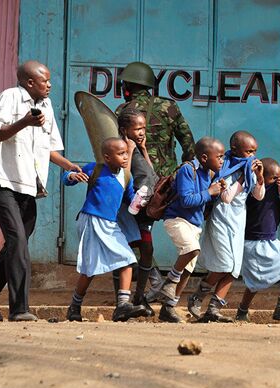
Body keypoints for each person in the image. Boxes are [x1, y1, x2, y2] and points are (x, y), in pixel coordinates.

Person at [0, 60, 82, 321]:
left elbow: (48, 148)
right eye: (46, 80)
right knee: (18, 241)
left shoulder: (46, 105)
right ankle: (19, 308)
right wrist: (24, 122)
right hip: (2, 182)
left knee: (16, 243)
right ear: (30, 82)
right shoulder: (9, 98)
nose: (50, 85)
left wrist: (68, 166)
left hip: (28, 186)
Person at [115, 61, 196, 302]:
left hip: (140, 179)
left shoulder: (123, 110)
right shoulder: (170, 107)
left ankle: (153, 280)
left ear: (129, 85)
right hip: (168, 183)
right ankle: (169, 282)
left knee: (138, 230)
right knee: (181, 229)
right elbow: (188, 143)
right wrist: (186, 172)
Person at [64, 138, 146, 322]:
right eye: (120, 154)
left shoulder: (126, 176)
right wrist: (72, 176)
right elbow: (67, 178)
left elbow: (130, 198)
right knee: (89, 268)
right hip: (91, 220)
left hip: (110, 224)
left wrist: (140, 201)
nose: (125, 157)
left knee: (127, 259)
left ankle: (123, 305)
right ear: (107, 157)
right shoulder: (96, 169)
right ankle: (75, 306)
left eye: (126, 153)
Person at [186, 131, 265, 323]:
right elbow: (227, 197)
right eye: (248, 152)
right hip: (222, 219)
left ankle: (214, 308)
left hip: (238, 222)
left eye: (254, 151)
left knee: (234, 268)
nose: (252, 156)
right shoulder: (225, 167)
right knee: (224, 264)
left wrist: (259, 178)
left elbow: (258, 195)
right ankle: (197, 297)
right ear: (235, 150)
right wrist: (242, 179)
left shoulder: (249, 171)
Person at [154, 137, 226, 323]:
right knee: (192, 249)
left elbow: (203, 202)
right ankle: (169, 282)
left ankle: (168, 308)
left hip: (194, 225)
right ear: (203, 157)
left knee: (187, 268)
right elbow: (187, 201)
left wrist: (215, 194)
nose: (222, 161)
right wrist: (209, 192)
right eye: (219, 157)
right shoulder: (188, 169)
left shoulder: (208, 173)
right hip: (177, 220)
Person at [236, 158, 280, 322]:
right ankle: (242, 310)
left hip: (271, 241)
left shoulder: (279, 191)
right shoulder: (254, 190)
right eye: (273, 178)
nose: (277, 181)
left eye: (279, 177)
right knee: (254, 282)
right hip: (252, 242)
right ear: (261, 176)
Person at [113, 108, 159, 317]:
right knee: (124, 253)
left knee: (147, 250)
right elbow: (124, 175)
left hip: (144, 210)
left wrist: (144, 149)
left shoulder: (138, 147)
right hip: (129, 209)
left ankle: (139, 296)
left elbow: (150, 172)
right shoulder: (121, 148)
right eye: (137, 128)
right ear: (124, 130)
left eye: (143, 128)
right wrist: (130, 151)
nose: (141, 132)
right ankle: (121, 300)